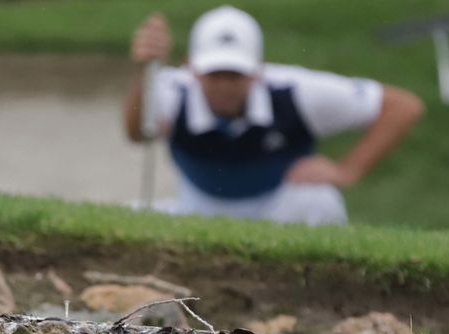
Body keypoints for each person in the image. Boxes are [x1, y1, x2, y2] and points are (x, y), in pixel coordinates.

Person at [124, 6, 424, 226]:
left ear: (258, 70)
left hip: (278, 208)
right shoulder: (171, 89)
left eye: (235, 74)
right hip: (196, 208)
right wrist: (144, 74)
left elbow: (402, 106)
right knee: (130, 217)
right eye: (215, 74)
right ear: (191, 68)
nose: (224, 85)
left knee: (322, 200)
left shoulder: (296, 92)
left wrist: (347, 170)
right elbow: (136, 132)